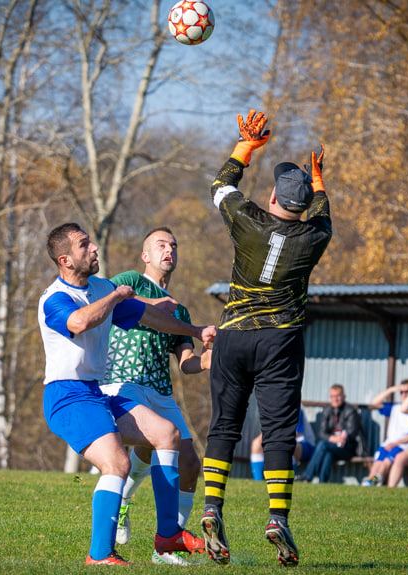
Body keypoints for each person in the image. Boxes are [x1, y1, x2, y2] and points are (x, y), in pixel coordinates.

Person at [38, 222, 214, 566]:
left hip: (95, 392)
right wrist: (119, 295)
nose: (94, 249)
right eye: (83, 245)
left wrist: (194, 330)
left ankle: (167, 537)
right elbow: (78, 323)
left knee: (167, 434)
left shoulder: (101, 287)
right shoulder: (56, 298)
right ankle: (100, 555)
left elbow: (148, 316)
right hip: (66, 397)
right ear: (65, 260)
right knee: (116, 463)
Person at [200, 110, 332, 567]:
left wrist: (246, 147)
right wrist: (318, 184)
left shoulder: (247, 220)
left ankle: (212, 507)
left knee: (224, 427)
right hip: (280, 342)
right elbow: (322, 213)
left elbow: (221, 186)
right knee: (277, 434)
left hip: (234, 337)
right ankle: (278, 518)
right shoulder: (314, 239)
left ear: (273, 196)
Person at [100, 227, 212, 566]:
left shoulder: (182, 311)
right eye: (161, 245)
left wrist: (207, 361)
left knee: (191, 462)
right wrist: (156, 303)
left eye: (174, 246)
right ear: (145, 255)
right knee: (155, 442)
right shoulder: (131, 280)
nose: (169, 250)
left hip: (161, 390)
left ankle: (169, 545)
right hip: (125, 381)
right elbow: (114, 298)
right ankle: (127, 511)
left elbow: (186, 362)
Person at [297, 384, 364, 484]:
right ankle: (322, 481)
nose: (335, 399)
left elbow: (351, 434)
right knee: (328, 451)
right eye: (332, 396)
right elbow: (321, 433)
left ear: (343, 397)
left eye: (338, 396)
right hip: (332, 446)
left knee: (323, 444)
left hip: (348, 448)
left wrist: (338, 438)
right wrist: (333, 438)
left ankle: (307, 476)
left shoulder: (351, 411)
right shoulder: (327, 410)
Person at [361, 379, 408, 487]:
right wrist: (393, 389)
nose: (404, 394)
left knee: (386, 463)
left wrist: (395, 444)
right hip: (388, 443)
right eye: (401, 392)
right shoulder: (395, 407)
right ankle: (370, 481)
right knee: (377, 464)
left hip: (403, 446)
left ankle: (374, 481)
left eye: (407, 391)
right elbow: (375, 402)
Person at [250, 409, 316, 481]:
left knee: (287, 444)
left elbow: (294, 433)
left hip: (304, 444)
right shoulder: (271, 407)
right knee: (256, 444)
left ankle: (288, 481)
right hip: (278, 439)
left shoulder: (296, 407)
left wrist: (273, 439)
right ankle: (259, 481)